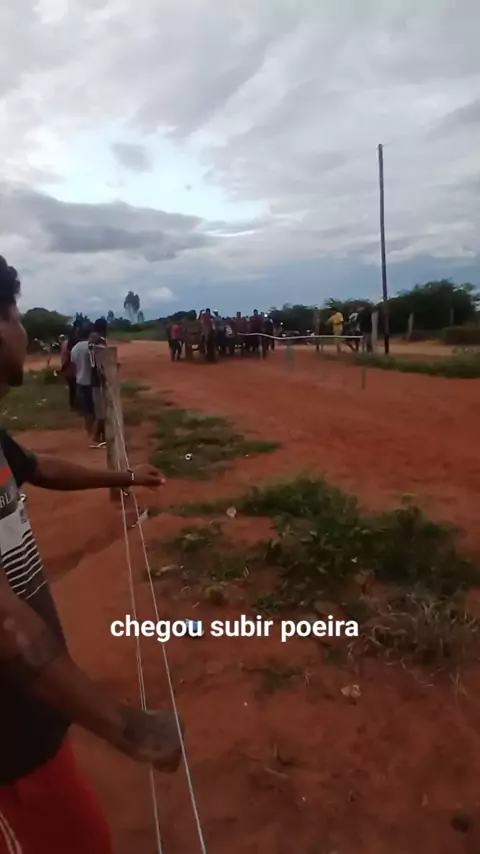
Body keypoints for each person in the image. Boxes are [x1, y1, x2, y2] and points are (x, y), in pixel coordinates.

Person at [0, 256, 181, 854]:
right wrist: (125, 725)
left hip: (29, 715)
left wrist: (124, 477)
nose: (23, 327)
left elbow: (38, 467)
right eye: (15, 312)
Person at [70, 326, 96, 442]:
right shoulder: (92, 347)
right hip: (93, 382)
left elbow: (73, 362)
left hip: (80, 381)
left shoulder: (75, 348)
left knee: (87, 409)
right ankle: (97, 433)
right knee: (97, 409)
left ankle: (89, 431)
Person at [88, 331, 106, 447]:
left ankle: (99, 436)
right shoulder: (97, 351)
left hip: (95, 383)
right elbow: (100, 370)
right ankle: (97, 436)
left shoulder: (92, 349)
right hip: (98, 384)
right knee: (101, 413)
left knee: (100, 412)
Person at [59, 332, 77, 411]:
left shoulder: (64, 344)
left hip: (69, 371)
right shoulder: (72, 347)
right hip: (73, 371)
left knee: (72, 389)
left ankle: (73, 405)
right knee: (75, 388)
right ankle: (75, 405)